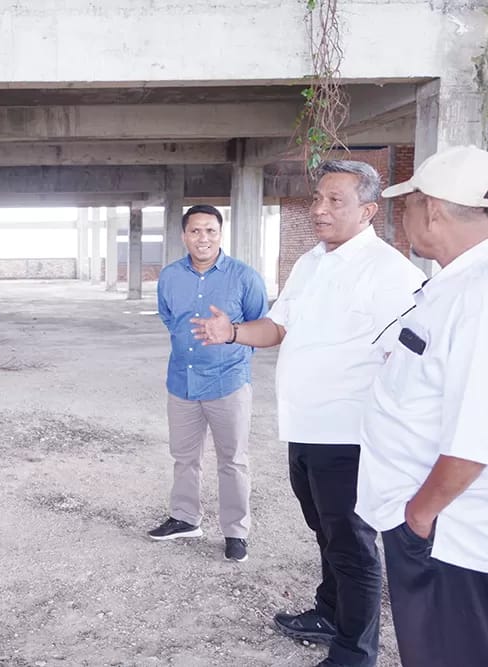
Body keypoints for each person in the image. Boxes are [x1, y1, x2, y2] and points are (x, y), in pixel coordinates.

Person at [191, 160, 425, 667]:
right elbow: (278, 327)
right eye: (318, 197)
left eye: (335, 200)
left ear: (367, 211)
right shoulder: (311, 261)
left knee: (352, 545)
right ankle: (330, 613)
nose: (319, 208)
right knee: (325, 530)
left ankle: (354, 654)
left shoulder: (390, 273)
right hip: (305, 427)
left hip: (350, 433)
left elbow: (410, 362)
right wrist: (232, 333)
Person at [356, 145, 488, 667]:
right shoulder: (459, 283)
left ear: (432, 209)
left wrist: (419, 516)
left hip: (450, 537)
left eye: (407, 204)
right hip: (438, 527)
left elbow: (476, 437)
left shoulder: (478, 297)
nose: (403, 216)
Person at [148, 205, 268, 563]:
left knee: (233, 460)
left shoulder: (244, 277)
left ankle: (236, 532)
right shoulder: (170, 276)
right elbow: (169, 318)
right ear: (184, 236)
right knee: (184, 457)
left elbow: (259, 325)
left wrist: (231, 348)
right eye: (195, 231)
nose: (203, 238)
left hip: (227, 381)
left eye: (210, 230)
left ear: (220, 234)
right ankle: (185, 518)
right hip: (182, 381)